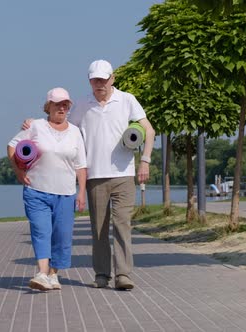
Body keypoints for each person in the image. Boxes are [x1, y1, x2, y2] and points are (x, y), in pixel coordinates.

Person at [24, 60, 155, 290]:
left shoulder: (127, 100)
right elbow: (63, 127)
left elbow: (150, 129)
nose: (100, 84)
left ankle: (123, 275)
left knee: (122, 224)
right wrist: (33, 124)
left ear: (112, 78)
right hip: (95, 176)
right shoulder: (83, 105)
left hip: (123, 175)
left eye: (104, 79)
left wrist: (145, 161)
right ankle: (102, 274)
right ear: (90, 81)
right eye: (95, 80)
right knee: (99, 229)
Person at [8, 87, 87, 291]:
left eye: (65, 105)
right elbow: (12, 145)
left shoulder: (75, 132)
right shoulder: (36, 126)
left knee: (61, 236)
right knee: (41, 231)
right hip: (36, 190)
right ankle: (42, 273)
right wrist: (18, 172)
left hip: (66, 193)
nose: (61, 108)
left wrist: (81, 192)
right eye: (57, 104)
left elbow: (81, 165)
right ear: (48, 106)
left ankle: (53, 275)